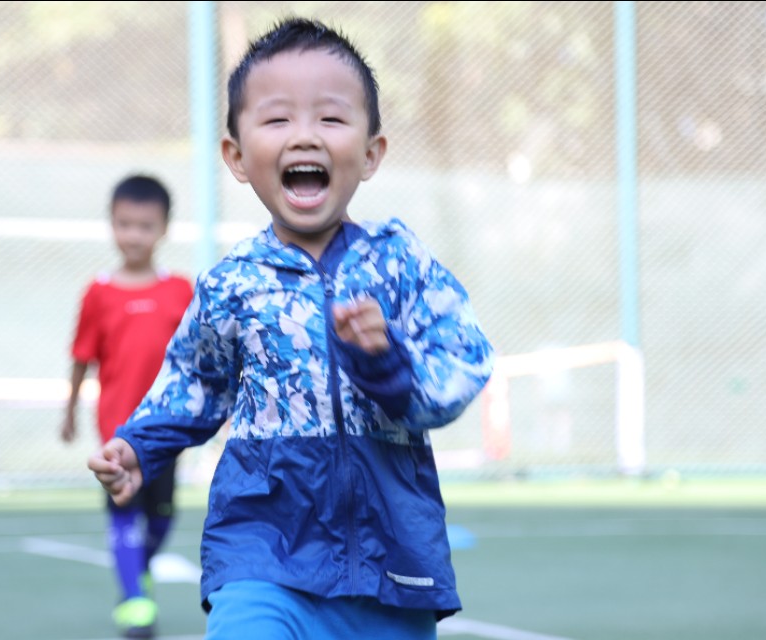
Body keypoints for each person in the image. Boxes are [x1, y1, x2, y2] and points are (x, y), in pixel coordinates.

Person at [88, 17, 494, 640]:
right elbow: (194, 380)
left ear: (371, 152)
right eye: (277, 120)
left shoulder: (400, 264)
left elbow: (461, 365)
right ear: (237, 156)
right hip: (262, 545)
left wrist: (387, 364)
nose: (304, 136)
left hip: (390, 560)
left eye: (331, 119)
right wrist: (142, 444)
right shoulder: (231, 283)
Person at [61, 175, 193, 639]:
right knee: (122, 509)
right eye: (124, 224)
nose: (133, 235)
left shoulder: (181, 291)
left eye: (144, 225)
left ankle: (140, 569)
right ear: (111, 225)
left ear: (163, 229)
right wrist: (70, 409)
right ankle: (134, 599)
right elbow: (82, 357)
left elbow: (203, 359)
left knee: (162, 516)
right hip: (117, 430)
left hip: (168, 428)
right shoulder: (98, 292)